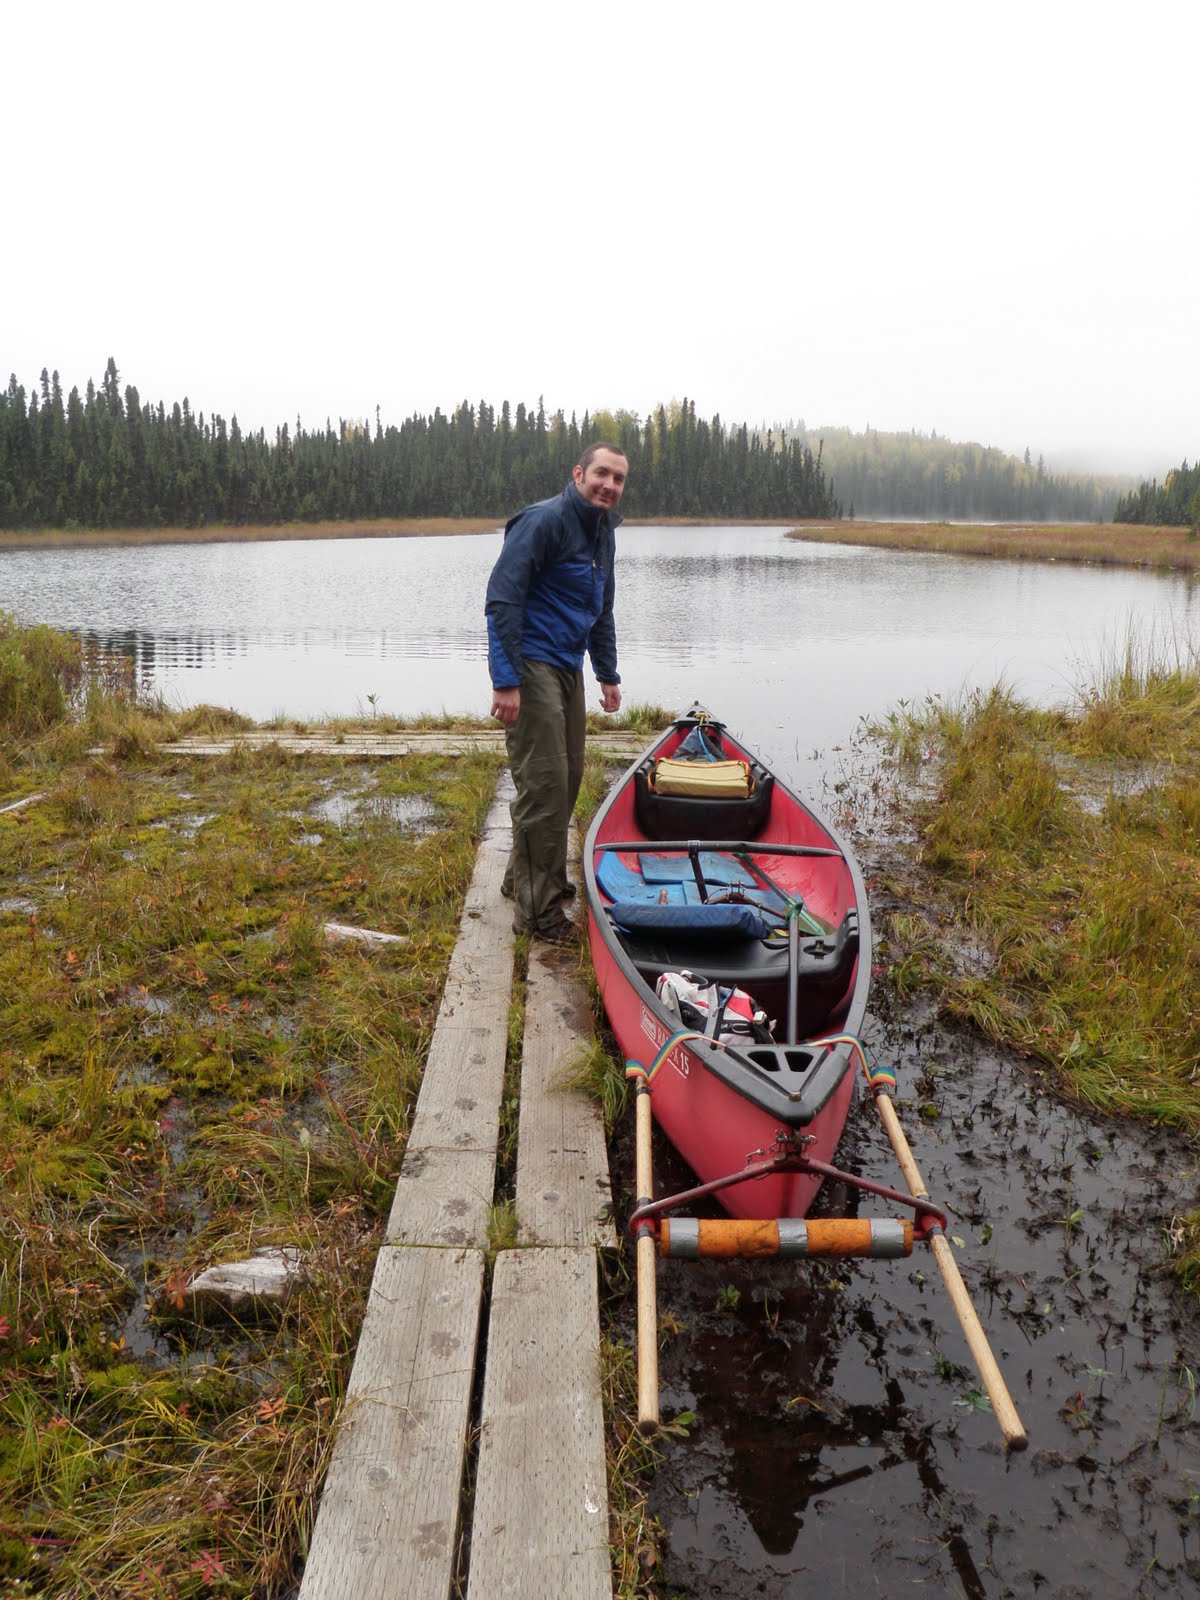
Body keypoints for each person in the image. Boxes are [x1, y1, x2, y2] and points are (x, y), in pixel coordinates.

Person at [485, 442, 628, 943]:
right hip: (531, 662)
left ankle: (523, 882)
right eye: (602, 474)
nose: (609, 485)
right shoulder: (542, 521)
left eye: (618, 479)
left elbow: (601, 610)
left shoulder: (603, 534)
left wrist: (607, 674)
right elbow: (502, 598)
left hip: (567, 666)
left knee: (566, 778)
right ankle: (539, 915)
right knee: (543, 785)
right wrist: (506, 680)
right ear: (578, 473)